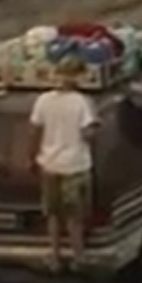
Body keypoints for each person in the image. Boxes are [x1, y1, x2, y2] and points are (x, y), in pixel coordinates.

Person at [29, 63, 100, 270]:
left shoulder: (43, 100)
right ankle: (79, 258)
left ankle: (54, 256)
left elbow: (33, 131)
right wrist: (95, 128)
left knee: (52, 214)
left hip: (49, 165)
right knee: (74, 217)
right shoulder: (82, 103)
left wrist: (32, 158)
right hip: (75, 166)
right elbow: (88, 135)